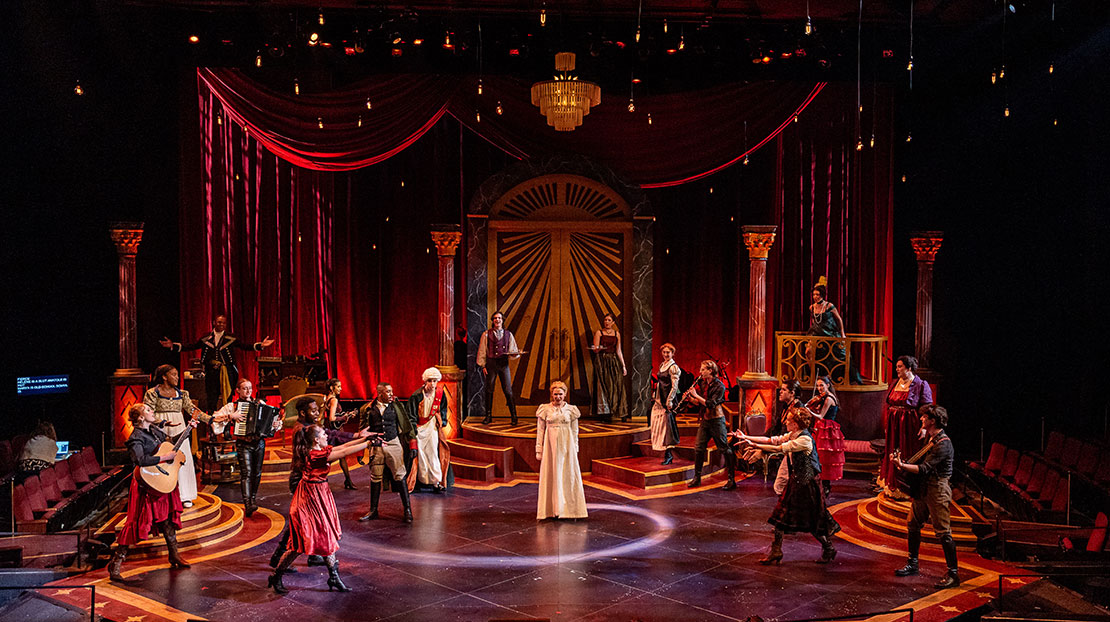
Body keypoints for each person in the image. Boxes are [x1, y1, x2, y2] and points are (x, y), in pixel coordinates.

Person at [267, 424, 374, 594]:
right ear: (316, 440)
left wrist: (365, 439)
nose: (326, 436)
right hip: (309, 499)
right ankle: (277, 576)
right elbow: (344, 452)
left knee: (326, 536)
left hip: (319, 495)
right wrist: (369, 444)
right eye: (324, 434)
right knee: (299, 544)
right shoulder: (315, 455)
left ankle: (333, 576)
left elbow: (344, 446)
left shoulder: (318, 450)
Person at [269, 397, 368, 570]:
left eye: (317, 410)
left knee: (312, 520)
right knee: (301, 523)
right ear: (302, 412)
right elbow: (332, 442)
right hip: (302, 480)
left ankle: (312, 556)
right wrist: (361, 439)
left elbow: (333, 436)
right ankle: (278, 558)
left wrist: (357, 436)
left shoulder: (310, 428)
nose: (317, 414)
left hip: (311, 479)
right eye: (313, 411)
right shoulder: (303, 431)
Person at [736, 407, 840, 565]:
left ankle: (828, 547)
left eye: (789, 420)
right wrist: (748, 438)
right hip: (796, 482)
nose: (785, 422)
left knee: (811, 520)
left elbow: (779, 448)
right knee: (780, 515)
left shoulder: (804, 440)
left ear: (796, 424)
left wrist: (757, 447)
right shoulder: (793, 434)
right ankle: (776, 550)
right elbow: (773, 440)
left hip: (808, 485)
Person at [108, 403, 198, 582]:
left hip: (162, 481)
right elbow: (140, 460)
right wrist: (164, 458)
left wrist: (189, 430)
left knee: (167, 520)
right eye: (148, 410)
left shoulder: (155, 431)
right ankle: (115, 564)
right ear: (140, 418)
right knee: (137, 521)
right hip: (146, 484)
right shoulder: (136, 437)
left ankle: (174, 555)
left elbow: (172, 446)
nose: (152, 412)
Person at [891, 404, 959, 589]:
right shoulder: (931, 438)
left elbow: (925, 469)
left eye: (924, 417)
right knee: (913, 523)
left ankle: (953, 574)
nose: (921, 419)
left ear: (933, 420)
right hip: (924, 488)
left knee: (943, 532)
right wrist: (902, 463)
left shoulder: (943, 444)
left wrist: (902, 466)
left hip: (937, 489)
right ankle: (912, 563)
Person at [144, 364, 229, 508]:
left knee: (182, 460)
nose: (177, 377)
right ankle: (161, 493)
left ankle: (185, 495)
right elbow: (147, 413)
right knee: (163, 461)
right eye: (173, 374)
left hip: (179, 429)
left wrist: (211, 419)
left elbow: (194, 411)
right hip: (160, 430)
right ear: (164, 377)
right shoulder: (152, 393)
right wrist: (163, 422)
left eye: (177, 374)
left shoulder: (182, 394)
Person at [159, 314, 275, 411]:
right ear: (214, 323)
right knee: (212, 398)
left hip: (227, 372)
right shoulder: (206, 338)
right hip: (211, 372)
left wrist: (260, 345)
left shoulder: (231, 338)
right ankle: (212, 428)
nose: (221, 324)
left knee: (228, 399)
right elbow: (192, 346)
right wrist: (173, 346)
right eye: (219, 322)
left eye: (223, 323)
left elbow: (244, 346)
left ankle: (226, 429)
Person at [213, 378, 282, 517]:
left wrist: (275, 425)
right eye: (245, 388)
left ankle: (253, 499)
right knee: (246, 473)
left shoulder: (260, 403)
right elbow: (214, 418)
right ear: (237, 390)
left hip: (259, 442)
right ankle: (248, 503)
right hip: (243, 443)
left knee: (257, 473)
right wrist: (230, 416)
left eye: (250, 388)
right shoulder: (231, 406)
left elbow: (273, 420)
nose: (248, 391)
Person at [358, 382, 416, 523]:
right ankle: (373, 510)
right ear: (380, 394)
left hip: (393, 443)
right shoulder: (367, 409)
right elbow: (362, 429)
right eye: (388, 392)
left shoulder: (397, 406)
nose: (391, 394)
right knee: (375, 477)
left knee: (400, 475)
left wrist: (413, 445)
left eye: (391, 391)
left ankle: (407, 509)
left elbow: (407, 425)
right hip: (376, 446)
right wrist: (360, 453)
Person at [879, 355, 934, 498]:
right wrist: (887, 424)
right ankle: (893, 485)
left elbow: (927, 407)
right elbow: (888, 404)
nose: (897, 369)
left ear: (909, 368)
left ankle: (906, 488)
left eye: (900, 366)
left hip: (909, 425)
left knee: (906, 451)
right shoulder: (895, 383)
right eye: (897, 366)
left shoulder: (921, 384)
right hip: (894, 424)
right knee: (893, 451)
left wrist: (923, 428)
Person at [739, 380, 804, 495]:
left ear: (792, 393)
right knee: (781, 485)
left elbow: (784, 439)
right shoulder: (786, 406)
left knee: (788, 485)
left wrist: (763, 449)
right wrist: (755, 440)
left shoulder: (798, 409)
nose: (780, 392)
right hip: (784, 444)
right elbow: (775, 429)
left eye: (784, 390)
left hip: (795, 453)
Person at [536, 381, 588, 520]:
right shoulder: (545, 409)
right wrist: (539, 449)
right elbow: (540, 430)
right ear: (551, 395)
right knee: (552, 474)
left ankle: (570, 510)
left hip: (567, 445)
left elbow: (575, 430)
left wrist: (575, 448)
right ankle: (552, 509)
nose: (558, 397)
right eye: (555, 394)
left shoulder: (571, 410)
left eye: (560, 394)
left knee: (568, 474)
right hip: (550, 446)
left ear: (565, 394)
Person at [686, 360, 738, 490]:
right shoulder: (704, 384)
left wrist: (696, 395)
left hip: (716, 421)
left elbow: (710, 403)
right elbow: (700, 403)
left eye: (703, 369)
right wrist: (690, 399)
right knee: (698, 448)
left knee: (724, 448)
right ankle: (697, 478)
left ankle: (732, 479)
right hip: (705, 420)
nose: (700, 372)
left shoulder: (719, 386)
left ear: (710, 371)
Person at [805, 279, 863, 385]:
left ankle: (844, 378)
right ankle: (813, 377)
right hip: (816, 333)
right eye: (814, 294)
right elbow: (815, 321)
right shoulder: (812, 307)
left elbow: (839, 320)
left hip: (829, 332)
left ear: (822, 295)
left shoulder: (829, 306)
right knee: (808, 352)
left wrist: (842, 334)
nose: (815, 297)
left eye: (817, 294)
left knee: (840, 354)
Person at [407, 367, 452, 492]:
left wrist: (442, 421)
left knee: (433, 453)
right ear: (425, 381)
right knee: (421, 456)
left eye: (435, 381)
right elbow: (410, 415)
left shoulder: (440, 394)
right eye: (430, 381)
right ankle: (421, 481)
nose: (432, 384)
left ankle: (436, 481)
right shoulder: (416, 396)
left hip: (432, 427)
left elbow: (443, 409)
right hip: (419, 429)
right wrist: (413, 431)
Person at [476, 311, 520, 425]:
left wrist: (515, 354)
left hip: (503, 365)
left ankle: (514, 416)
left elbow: (512, 350)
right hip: (491, 364)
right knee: (489, 390)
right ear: (492, 320)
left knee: (508, 390)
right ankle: (488, 416)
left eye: (499, 318)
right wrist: (483, 365)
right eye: (495, 318)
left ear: (502, 320)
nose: (497, 320)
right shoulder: (486, 334)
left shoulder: (508, 334)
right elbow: (482, 350)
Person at [807, 376, 845, 499]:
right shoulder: (823, 398)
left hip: (827, 428)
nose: (819, 388)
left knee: (824, 458)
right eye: (817, 385)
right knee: (819, 456)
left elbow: (821, 416)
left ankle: (825, 487)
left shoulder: (828, 399)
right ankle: (821, 486)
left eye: (821, 385)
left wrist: (807, 409)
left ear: (828, 385)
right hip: (822, 427)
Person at [592, 312, 628, 423]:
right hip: (602, 361)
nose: (606, 322)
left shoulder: (617, 334)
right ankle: (605, 413)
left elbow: (618, 351)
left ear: (613, 322)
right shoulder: (599, 333)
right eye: (605, 320)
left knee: (617, 386)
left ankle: (621, 412)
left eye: (609, 320)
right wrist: (597, 348)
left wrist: (623, 365)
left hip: (613, 361)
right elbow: (596, 350)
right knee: (604, 386)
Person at [322, 378, 357, 490]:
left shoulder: (326, 398)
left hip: (331, 429)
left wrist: (345, 415)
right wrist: (345, 417)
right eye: (338, 387)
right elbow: (332, 418)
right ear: (332, 388)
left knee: (341, 456)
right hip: (336, 431)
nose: (341, 389)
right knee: (335, 456)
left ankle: (348, 480)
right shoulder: (334, 400)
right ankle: (321, 477)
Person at [650, 343, 681, 465]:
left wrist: (669, 400)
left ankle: (668, 455)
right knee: (659, 424)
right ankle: (665, 451)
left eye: (668, 352)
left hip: (668, 400)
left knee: (667, 427)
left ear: (672, 353)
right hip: (660, 398)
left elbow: (674, 386)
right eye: (664, 352)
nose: (666, 354)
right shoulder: (662, 365)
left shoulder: (673, 367)